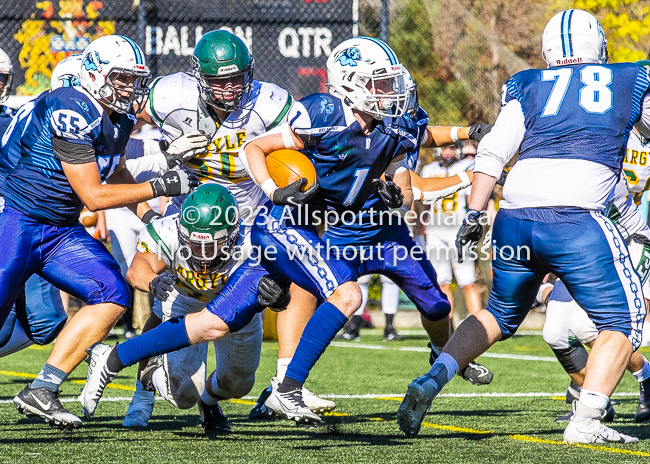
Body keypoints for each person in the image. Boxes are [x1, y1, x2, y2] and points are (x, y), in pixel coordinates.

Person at [398, 9, 649, 444]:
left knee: (496, 315)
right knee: (622, 323)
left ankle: (433, 378)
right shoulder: (631, 78)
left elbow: (492, 151)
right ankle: (586, 420)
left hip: (514, 217)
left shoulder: (529, 83)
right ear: (598, 45)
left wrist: (475, 214)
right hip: (577, 218)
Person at [240, 37, 491, 426]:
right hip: (339, 231)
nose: (392, 93)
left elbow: (419, 147)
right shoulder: (322, 113)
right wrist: (275, 191)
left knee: (439, 305)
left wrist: (463, 134)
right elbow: (259, 148)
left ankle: (444, 356)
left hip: (388, 234)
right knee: (319, 296)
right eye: (381, 84)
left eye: (391, 83)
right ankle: (282, 386)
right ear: (350, 84)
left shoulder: (394, 123)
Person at [7, 35, 197, 430]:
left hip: (57, 228)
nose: (130, 87)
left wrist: (148, 216)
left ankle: (42, 388)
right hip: (14, 217)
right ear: (93, 75)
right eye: (121, 78)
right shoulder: (70, 106)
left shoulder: (120, 118)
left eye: (133, 79)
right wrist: (163, 185)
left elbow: (118, 172)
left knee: (112, 293)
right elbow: (93, 195)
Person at [119, 29, 299, 426]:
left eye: (237, 77)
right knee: (169, 295)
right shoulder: (170, 95)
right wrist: (161, 152)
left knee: (241, 368)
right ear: (200, 76)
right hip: (191, 217)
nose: (230, 88)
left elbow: (307, 145)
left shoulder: (271, 104)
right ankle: (144, 391)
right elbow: (118, 126)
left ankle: (240, 390)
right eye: (219, 80)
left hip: (248, 223)